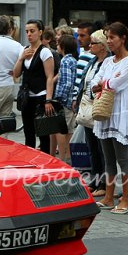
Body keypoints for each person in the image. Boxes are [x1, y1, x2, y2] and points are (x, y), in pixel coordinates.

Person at [90, 22, 128, 214]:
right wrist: (100, 84)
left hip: (121, 115)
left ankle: (126, 198)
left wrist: (102, 84)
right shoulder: (108, 62)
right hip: (105, 113)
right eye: (107, 37)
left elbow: (116, 83)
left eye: (112, 37)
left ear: (123, 38)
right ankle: (109, 196)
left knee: (123, 158)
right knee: (108, 159)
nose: (109, 41)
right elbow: (97, 79)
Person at [75, 29, 110, 196]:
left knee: (101, 148)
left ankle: (103, 183)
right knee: (92, 147)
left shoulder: (108, 62)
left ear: (102, 46)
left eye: (94, 43)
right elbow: (85, 82)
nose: (90, 45)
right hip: (88, 105)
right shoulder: (93, 61)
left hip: (99, 107)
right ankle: (95, 180)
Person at [13, 19, 55, 153]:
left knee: (43, 135)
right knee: (28, 132)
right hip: (27, 98)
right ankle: (30, 160)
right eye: (27, 32)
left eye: (32, 31)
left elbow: (49, 77)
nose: (29, 34)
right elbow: (16, 74)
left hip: (41, 96)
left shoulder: (45, 52)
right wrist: (21, 58)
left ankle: (45, 163)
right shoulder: (25, 50)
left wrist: (48, 99)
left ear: (40, 32)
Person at [52, 34, 78, 163]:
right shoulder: (73, 60)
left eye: (58, 44)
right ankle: (68, 156)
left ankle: (62, 158)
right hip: (70, 101)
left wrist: (59, 97)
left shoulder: (65, 61)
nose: (56, 46)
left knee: (60, 130)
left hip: (65, 101)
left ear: (62, 47)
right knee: (69, 130)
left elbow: (67, 83)